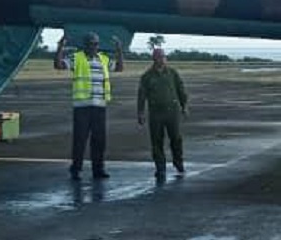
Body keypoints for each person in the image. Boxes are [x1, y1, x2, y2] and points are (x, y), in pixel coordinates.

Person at [55, 31, 124, 180]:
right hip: (82, 107)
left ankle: (98, 169)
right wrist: (60, 48)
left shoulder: (103, 59)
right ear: (85, 45)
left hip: (99, 106)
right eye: (92, 44)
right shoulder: (77, 58)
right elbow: (59, 65)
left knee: (99, 140)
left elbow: (119, 68)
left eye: (96, 44)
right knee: (80, 140)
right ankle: (76, 169)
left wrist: (119, 50)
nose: (94, 47)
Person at [137, 48, 188, 180]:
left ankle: (178, 162)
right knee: (156, 141)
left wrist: (184, 105)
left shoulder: (172, 73)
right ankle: (160, 168)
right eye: (159, 57)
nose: (162, 59)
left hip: (172, 111)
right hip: (156, 113)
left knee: (176, 138)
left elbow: (181, 89)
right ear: (154, 59)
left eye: (164, 57)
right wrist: (141, 112)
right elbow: (141, 96)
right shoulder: (147, 76)